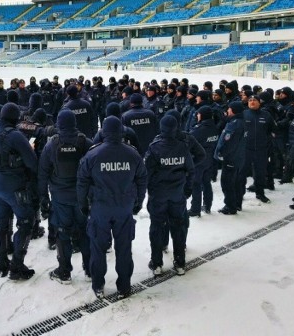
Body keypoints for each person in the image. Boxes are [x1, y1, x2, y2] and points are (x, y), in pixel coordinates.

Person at [77, 116, 147, 299]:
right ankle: (124, 286)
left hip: (100, 208)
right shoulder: (133, 154)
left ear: (104, 132)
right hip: (124, 207)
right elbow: (142, 179)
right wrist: (138, 202)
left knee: (98, 248)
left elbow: (82, 182)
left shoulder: (92, 154)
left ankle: (98, 285)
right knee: (124, 249)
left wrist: (83, 204)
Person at [0, 103, 38, 280]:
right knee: (27, 222)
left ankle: (2, 263)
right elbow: (32, 163)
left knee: (0, 223)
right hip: (15, 187)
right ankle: (17, 265)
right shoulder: (15, 136)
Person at [38, 109, 93, 284]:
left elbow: (43, 173)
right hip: (81, 197)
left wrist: (43, 197)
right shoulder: (85, 143)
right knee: (85, 232)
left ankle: (64, 272)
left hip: (60, 198)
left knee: (62, 233)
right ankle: (90, 270)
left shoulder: (52, 144)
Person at [144, 115, 195, 276]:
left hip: (159, 195)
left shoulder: (154, 147)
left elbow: (147, 173)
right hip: (177, 194)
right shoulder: (183, 146)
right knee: (178, 227)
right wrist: (187, 189)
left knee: (157, 228)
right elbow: (191, 170)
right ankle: (180, 263)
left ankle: (157, 263)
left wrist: (150, 190)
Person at [214, 101, 246, 215]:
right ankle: (237, 203)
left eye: (229, 109)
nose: (227, 111)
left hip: (231, 158)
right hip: (240, 157)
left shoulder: (234, 123)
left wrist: (221, 153)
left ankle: (230, 206)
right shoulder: (243, 121)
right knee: (237, 181)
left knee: (227, 183)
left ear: (233, 110)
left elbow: (228, 142)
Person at [189, 106, 220, 216]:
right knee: (206, 183)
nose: (197, 116)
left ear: (202, 115)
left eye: (198, 114)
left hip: (198, 160)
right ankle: (207, 205)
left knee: (196, 184)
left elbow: (190, 143)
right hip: (210, 159)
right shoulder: (214, 127)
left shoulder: (199, 129)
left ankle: (195, 209)